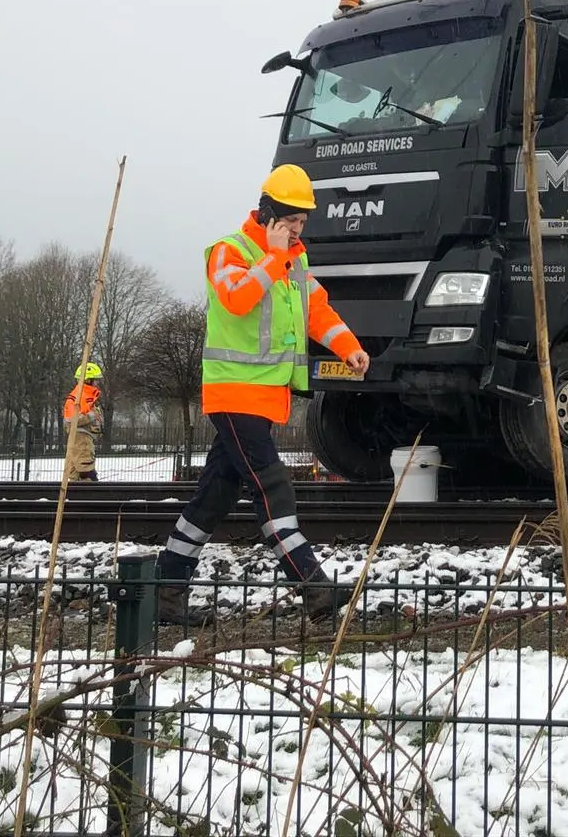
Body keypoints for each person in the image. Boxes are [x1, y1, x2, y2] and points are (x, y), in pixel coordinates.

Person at [155, 164, 371, 627]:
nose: (298, 229)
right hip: (234, 396)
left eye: (302, 222)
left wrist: (350, 347)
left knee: (215, 495)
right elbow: (236, 297)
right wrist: (273, 258)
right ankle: (311, 583)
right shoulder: (228, 251)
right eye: (292, 220)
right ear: (270, 213)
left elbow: (317, 312)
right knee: (271, 485)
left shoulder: (296, 260)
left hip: (264, 398)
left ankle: (165, 589)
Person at [61, 362, 103, 483]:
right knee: (87, 472)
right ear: (88, 380)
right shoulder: (80, 395)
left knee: (76, 477)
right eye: (95, 380)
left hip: (82, 438)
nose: (97, 383)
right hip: (81, 439)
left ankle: (77, 499)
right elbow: (71, 419)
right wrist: (92, 415)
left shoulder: (85, 394)